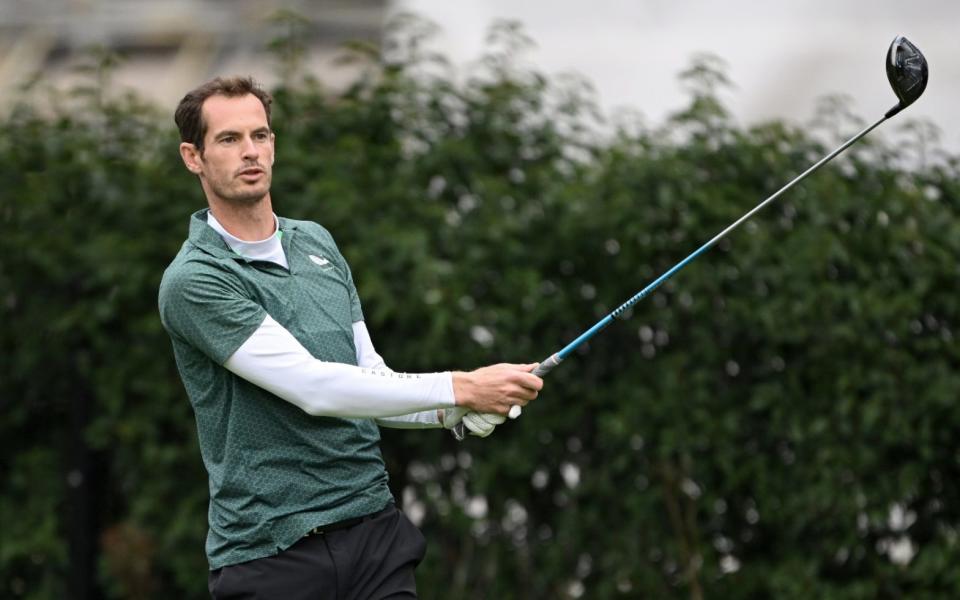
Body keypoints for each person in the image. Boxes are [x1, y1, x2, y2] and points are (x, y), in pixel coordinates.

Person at [158, 76, 543, 599]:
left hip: (373, 535)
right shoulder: (195, 280)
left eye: (261, 135)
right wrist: (461, 387)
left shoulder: (316, 242)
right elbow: (316, 390)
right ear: (193, 156)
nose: (251, 152)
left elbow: (369, 380)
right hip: (271, 556)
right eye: (229, 139)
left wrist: (449, 413)